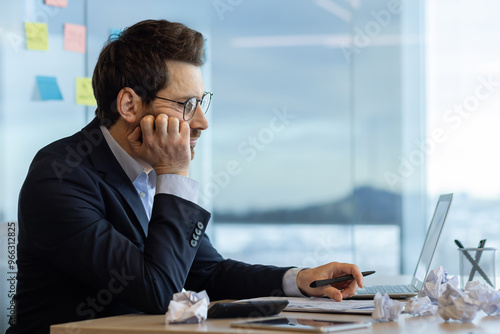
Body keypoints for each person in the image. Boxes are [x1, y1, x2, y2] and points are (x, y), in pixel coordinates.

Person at [7, 19, 363, 334]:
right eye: (186, 105)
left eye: (201, 103)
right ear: (129, 105)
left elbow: (207, 272)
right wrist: (174, 173)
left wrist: (298, 280)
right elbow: (158, 291)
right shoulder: (59, 178)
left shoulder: (145, 172)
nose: (202, 122)